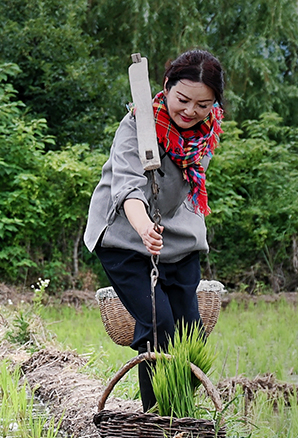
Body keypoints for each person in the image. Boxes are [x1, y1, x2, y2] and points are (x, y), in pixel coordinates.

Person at [84, 50, 225, 410]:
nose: (191, 111)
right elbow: (128, 189)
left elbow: (186, 189)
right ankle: (156, 422)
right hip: (124, 237)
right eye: (183, 100)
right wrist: (146, 228)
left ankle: (180, 413)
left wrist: (160, 230)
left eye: (203, 104)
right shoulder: (136, 126)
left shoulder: (205, 134)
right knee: (159, 324)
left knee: (190, 332)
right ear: (166, 88)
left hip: (176, 235)